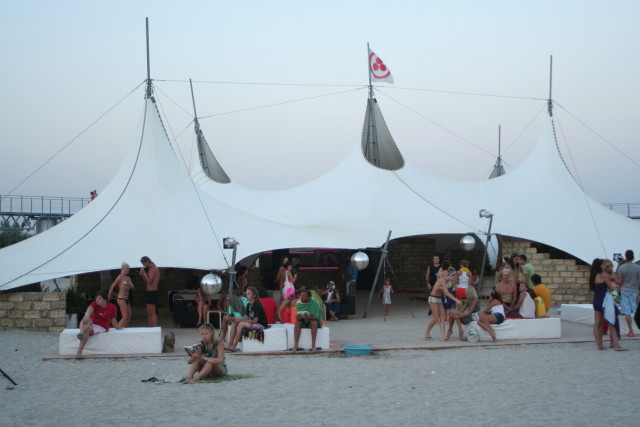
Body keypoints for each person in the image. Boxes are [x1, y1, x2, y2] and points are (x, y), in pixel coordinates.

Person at [590, 258, 625, 351]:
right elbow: (612, 287)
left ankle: (599, 344)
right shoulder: (603, 275)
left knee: (597, 323)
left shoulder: (594, 276)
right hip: (604, 301)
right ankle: (613, 344)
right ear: (600, 266)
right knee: (609, 320)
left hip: (596, 300)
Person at [76, 290, 121, 358]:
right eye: (96, 298)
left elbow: (113, 319)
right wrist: (87, 315)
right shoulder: (94, 304)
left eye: (99, 298)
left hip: (101, 327)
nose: (97, 300)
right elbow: (89, 310)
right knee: (86, 319)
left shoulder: (112, 307)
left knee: (87, 329)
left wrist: (117, 327)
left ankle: (79, 351)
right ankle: (81, 333)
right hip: (91, 324)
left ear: (105, 299)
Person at [424, 265, 462, 341]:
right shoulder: (443, 280)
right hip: (433, 298)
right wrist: (456, 300)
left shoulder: (449, 282)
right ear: (451, 276)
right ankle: (427, 332)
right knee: (436, 318)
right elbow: (446, 292)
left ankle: (443, 335)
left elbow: (448, 290)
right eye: (455, 278)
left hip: (439, 299)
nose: (456, 279)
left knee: (443, 318)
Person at [226, 287, 268, 352]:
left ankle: (234, 346)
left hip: (261, 325)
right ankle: (230, 344)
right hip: (253, 323)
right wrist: (237, 319)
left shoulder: (257, 305)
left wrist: (240, 320)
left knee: (241, 324)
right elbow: (247, 318)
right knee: (234, 322)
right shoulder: (248, 305)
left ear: (254, 295)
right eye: (246, 293)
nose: (246, 295)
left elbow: (255, 321)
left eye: (249, 294)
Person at [616, 250, 640, 337]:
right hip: (635, 290)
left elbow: (620, 282)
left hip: (625, 290)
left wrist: (617, 286)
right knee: (636, 311)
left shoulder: (622, 267)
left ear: (626, 256)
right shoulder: (638, 267)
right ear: (633, 256)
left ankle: (631, 331)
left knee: (627, 311)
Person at [107, 262, 134, 328]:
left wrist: (129, 285)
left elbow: (133, 287)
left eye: (128, 269)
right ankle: (118, 329)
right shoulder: (120, 277)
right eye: (126, 269)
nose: (127, 270)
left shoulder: (128, 278)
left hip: (126, 298)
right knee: (125, 317)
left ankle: (124, 329)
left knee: (129, 315)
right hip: (121, 298)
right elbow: (112, 286)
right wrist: (109, 297)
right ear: (122, 269)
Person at [139, 256, 159, 327]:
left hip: (153, 292)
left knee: (152, 312)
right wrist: (143, 275)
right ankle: (150, 328)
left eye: (143, 264)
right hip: (148, 292)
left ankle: (154, 328)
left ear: (147, 262)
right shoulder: (150, 269)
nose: (143, 265)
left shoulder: (153, 269)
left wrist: (144, 273)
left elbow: (150, 282)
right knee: (148, 312)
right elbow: (147, 282)